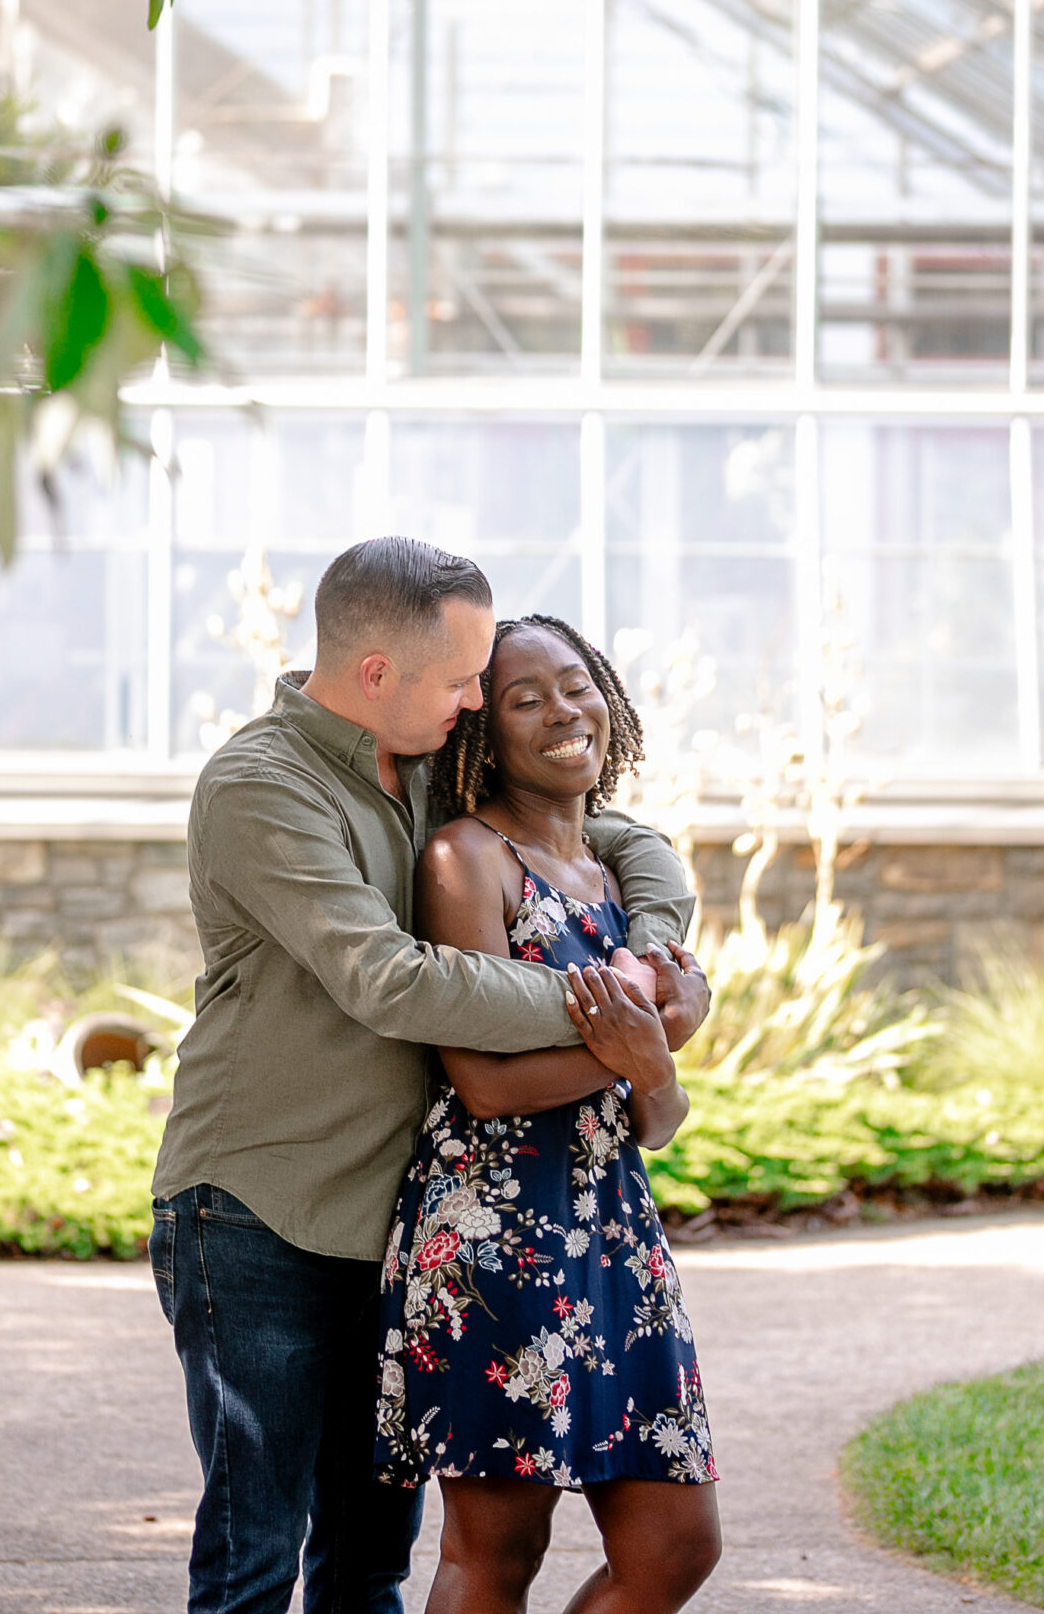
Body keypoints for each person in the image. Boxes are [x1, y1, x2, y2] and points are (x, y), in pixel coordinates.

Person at [149, 538, 709, 1614]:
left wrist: (656, 949)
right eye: (463, 681)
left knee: (367, 1560)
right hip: (261, 1208)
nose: (473, 699)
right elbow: (390, 979)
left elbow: (615, 832)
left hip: (398, 1229)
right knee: (254, 1550)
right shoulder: (263, 785)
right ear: (376, 675)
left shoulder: (419, 766)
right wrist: (614, 1010)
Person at [374, 613, 720, 1614]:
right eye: (527, 699)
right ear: (485, 732)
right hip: (495, 1238)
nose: (566, 711)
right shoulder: (465, 859)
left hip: (617, 1233)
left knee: (677, 1547)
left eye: (578, 685)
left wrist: (650, 1063)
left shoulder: (615, 881)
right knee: (498, 1549)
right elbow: (480, 1081)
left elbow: (657, 1115)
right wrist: (630, 1053)